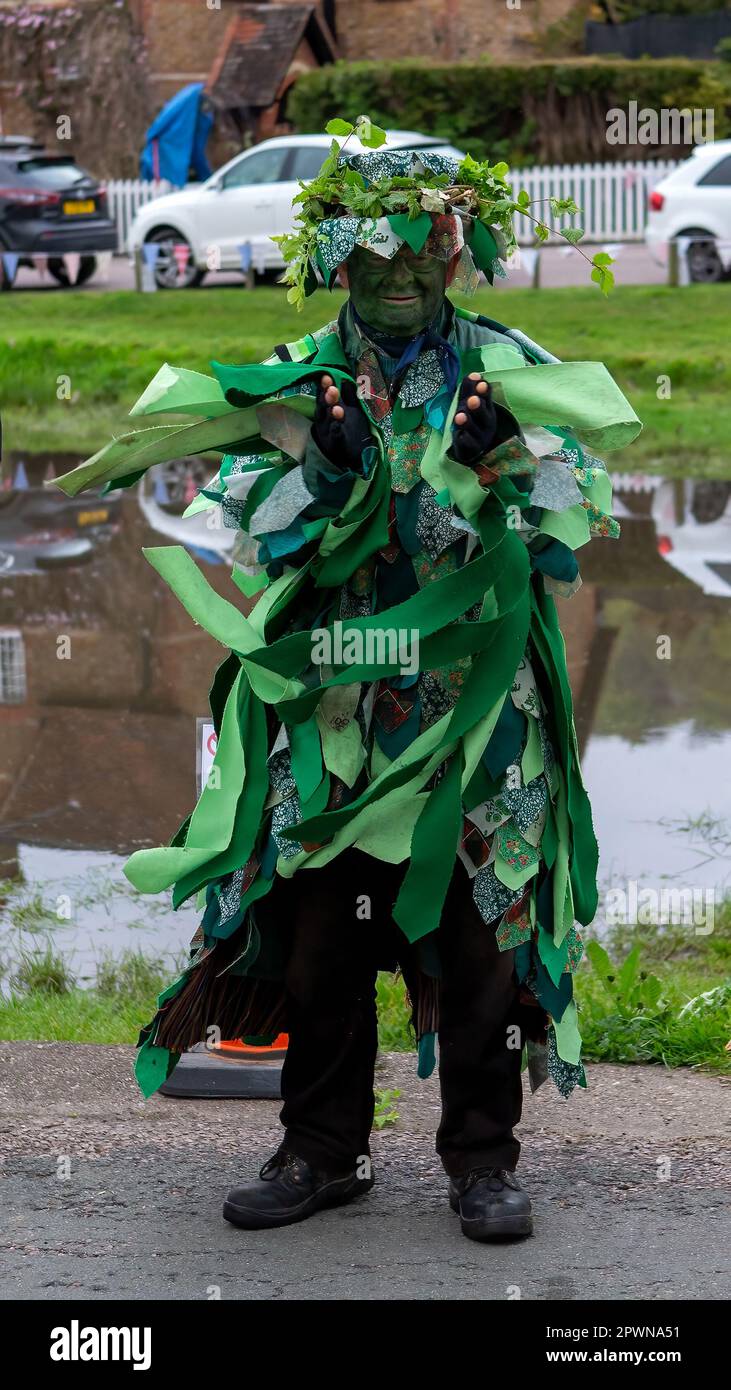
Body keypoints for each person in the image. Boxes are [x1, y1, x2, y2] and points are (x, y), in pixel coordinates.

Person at [54, 138, 640, 1242]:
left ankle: (480, 1159)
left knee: (482, 936)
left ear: (458, 249)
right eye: (371, 255)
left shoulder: (507, 369)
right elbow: (243, 533)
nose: (398, 274)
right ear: (334, 261)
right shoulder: (293, 376)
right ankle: (322, 1148)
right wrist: (318, 470)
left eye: (421, 248)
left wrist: (508, 462)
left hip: (476, 720)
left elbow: (578, 523)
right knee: (320, 935)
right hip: (334, 721)